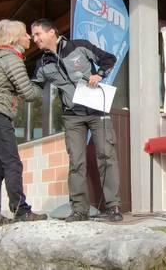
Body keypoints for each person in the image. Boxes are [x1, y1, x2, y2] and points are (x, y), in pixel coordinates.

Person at [30, 18, 123, 221]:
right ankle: (79, 209)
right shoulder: (42, 63)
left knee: (106, 156)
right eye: (33, 35)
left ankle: (113, 206)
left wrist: (99, 74)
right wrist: (22, 92)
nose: (34, 38)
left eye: (37, 34)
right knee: (76, 162)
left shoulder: (79, 46)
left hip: (98, 111)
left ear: (52, 32)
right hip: (72, 117)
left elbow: (108, 59)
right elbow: (35, 87)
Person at [0, 19, 47, 226]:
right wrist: (42, 83)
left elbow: (8, 86)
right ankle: (21, 210)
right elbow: (28, 93)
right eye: (25, 34)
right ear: (15, 37)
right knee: (12, 163)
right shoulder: (11, 58)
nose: (29, 38)